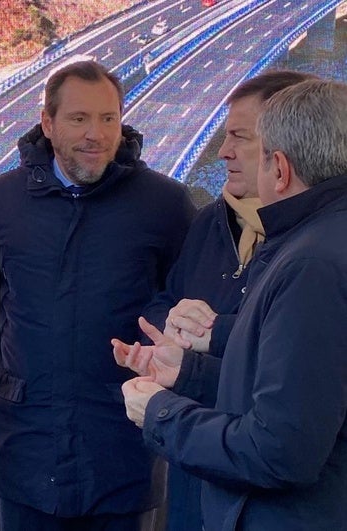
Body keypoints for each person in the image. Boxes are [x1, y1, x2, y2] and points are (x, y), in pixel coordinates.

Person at [113, 79, 347, 530]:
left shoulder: (311, 264)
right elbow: (300, 393)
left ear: (278, 168)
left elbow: (280, 452)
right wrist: (187, 372)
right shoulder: (318, 243)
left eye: (243, 140)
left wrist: (162, 412)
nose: (225, 151)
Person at [0, 60, 195, 530]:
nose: (96, 133)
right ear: (48, 124)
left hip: (123, 456)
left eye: (108, 118)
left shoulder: (165, 204)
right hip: (24, 456)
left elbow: (180, 313)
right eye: (79, 119)